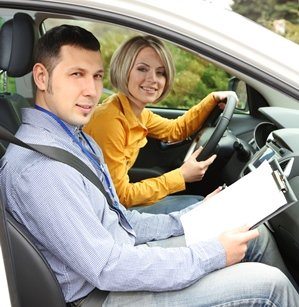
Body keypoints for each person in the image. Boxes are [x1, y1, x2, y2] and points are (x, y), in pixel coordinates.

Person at [0, 24, 298, 307]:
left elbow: (122, 220)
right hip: (102, 295)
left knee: (251, 231)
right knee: (270, 284)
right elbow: (108, 268)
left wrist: (192, 216)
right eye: (76, 74)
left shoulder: (74, 138)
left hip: (121, 260)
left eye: (96, 76)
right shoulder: (41, 169)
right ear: (41, 77)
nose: (91, 91)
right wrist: (212, 254)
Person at [83, 35, 235, 214]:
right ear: (124, 70)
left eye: (160, 72)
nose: (153, 79)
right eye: (142, 69)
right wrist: (181, 176)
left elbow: (176, 130)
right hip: (105, 213)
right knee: (201, 206)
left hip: (110, 206)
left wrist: (211, 100)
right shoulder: (110, 121)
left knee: (199, 204)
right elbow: (120, 196)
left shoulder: (135, 112)